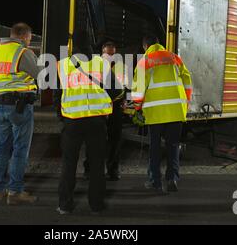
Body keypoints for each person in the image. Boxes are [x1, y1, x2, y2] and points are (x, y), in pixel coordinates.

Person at [56, 47, 123, 215]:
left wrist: (62, 116)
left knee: (68, 163)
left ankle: (64, 205)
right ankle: (96, 205)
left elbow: (58, 95)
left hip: (72, 121)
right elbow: (118, 90)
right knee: (97, 164)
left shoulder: (63, 65)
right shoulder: (102, 64)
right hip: (96, 121)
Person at [0, 22, 40, 205]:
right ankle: (15, 192)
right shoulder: (23, 52)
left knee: (2, 148)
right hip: (20, 106)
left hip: (1, 105)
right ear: (25, 36)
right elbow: (39, 74)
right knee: (20, 149)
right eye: (30, 37)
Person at [132, 34, 192, 193]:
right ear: (160, 45)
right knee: (173, 146)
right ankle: (172, 179)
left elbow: (138, 91)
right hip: (176, 111)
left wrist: (137, 108)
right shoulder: (174, 58)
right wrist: (185, 102)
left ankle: (155, 181)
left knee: (155, 148)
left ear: (145, 46)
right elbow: (187, 80)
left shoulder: (144, 62)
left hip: (155, 112)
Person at [83, 41, 125, 181]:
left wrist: (124, 100)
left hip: (115, 107)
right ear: (102, 52)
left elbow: (126, 86)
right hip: (99, 106)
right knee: (94, 139)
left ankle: (113, 170)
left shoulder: (121, 67)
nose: (110, 57)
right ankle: (89, 169)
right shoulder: (96, 66)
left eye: (113, 54)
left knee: (115, 140)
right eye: (108, 54)